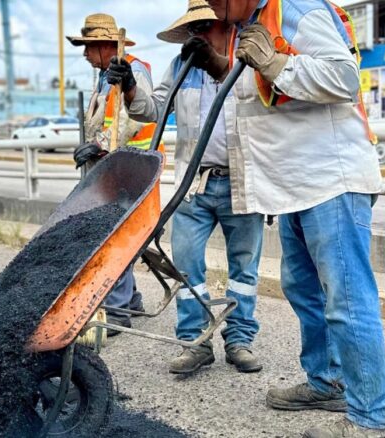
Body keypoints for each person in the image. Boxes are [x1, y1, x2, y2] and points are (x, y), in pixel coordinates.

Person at [189, 0, 385, 436]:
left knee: (347, 299)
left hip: (331, 181)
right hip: (295, 187)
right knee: (305, 291)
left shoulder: (295, 9)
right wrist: (222, 66)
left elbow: (342, 78)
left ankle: (372, 420)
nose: (210, 4)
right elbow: (260, 94)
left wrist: (274, 62)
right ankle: (327, 384)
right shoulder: (248, 23)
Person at [117, 0, 264, 375]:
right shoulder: (181, 67)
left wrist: (217, 64)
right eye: (193, 29)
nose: (197, 35)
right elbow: (153, 109)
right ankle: (194, 341)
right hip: (194, 184)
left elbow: (265, 105)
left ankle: (239, 339)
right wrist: (131, 88)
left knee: (243, 271)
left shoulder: (247, 59)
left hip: (242, 183)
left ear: (225, 25)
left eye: (204, 27)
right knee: (186, 266)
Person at [67, 13, 155, 334]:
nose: (84, 54)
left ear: (105, 46)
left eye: (88, 47)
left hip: (131, 170)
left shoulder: (133, 71)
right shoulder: (104, 78)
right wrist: (91, 145)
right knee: (111, 236)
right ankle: (130, 299)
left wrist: (99, 144)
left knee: (115, 240)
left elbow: (134, 120)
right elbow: (102, 121)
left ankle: (117, 311)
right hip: (110, 171)